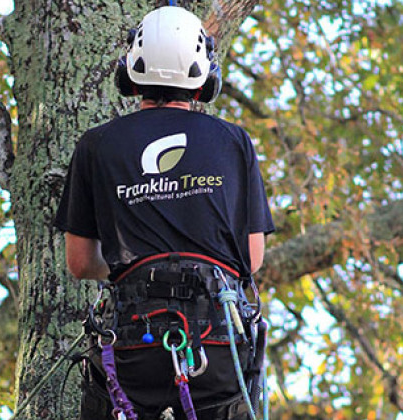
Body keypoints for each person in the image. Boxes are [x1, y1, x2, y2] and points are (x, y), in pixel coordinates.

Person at [55, 6, 275, 420]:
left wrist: (137, 262)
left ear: (132, 72)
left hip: (133, 343)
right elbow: (252, 258)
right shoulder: (234, 141)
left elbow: (81, 262)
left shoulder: (96, 144)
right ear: (203, 78)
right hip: (217, 344)